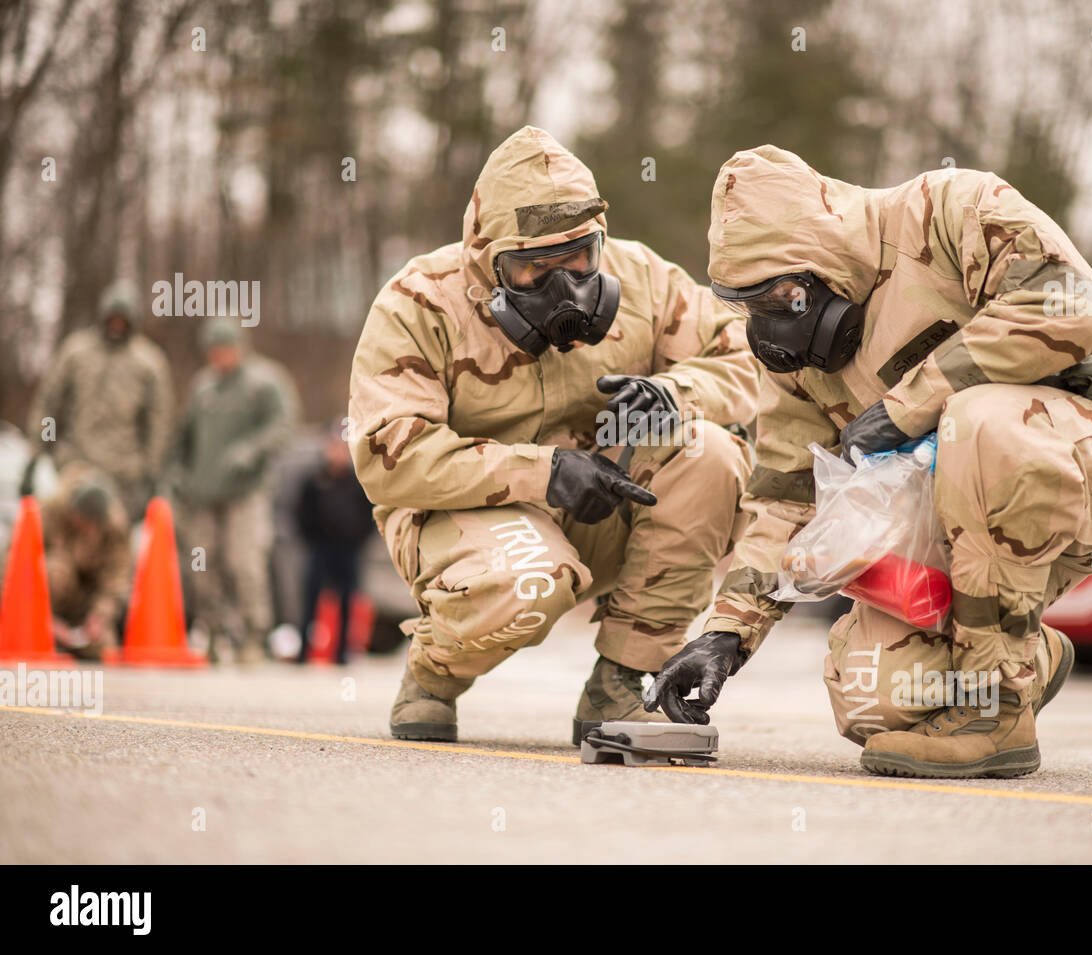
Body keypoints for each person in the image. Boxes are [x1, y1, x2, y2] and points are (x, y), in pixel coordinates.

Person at [647, 146, 1092, 778]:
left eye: (779, 298)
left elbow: (1071, 304)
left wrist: (910, 405)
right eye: (747, 306)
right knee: (872, 700)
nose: (767, 327)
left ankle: (997, 709)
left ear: (822, 258)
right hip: (961, 523)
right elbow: (784, 497)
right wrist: (727, 634)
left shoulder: (949, 210)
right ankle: (1029, 655)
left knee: (975, 421)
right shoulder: (798, 365)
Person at [349, 126, 760, 743]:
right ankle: (435, 669)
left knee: (712, 452)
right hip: (466, 522)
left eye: (579, 259)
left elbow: (745, 358)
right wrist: (544, 472)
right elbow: (388, 455)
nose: (566, 285)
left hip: (604, 507)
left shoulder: (644, 277)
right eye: (534, 268)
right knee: (532, 581)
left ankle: (624, 680)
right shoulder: (418, 303)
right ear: (488, 262)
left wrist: (678, 391)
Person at [171, 318, 292, 664]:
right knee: (203, 563)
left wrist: (251, 450)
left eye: (226, 349)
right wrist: (176, 472)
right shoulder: (203, 386)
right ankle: (213, 630)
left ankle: (253, 634)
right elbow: (184, 435)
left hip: (245, 492)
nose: (220, 357)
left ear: (240, 347)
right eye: (214, 351)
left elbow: (283, 426)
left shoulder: (264, 382)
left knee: (244, 561)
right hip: (204, 492)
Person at [27, 279, 173, 522]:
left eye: (123, 320)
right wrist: (37, 452)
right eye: (113, 318)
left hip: (122, 473)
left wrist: (153, 473)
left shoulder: (149, 363)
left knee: (111, 543)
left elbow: (158, 422)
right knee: (60, 534)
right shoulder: (75, 352)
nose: (117, 326)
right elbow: (49, 404)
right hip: (74, 465)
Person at [293, 421, 375, 665]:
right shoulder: (314, 480)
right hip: (320, 548)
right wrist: (310, 539)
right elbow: (300, 513)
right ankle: (304, 650)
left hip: (349, 549)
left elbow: (369, 514)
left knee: (348, 600)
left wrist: (359, 540)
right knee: (310, 599)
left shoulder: (357, 482)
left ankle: (342, 652)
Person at [42, 464, 132, 660]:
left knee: (104, 648)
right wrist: (45, 620)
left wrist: (99, 617)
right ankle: (48, 636)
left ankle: (69, 643)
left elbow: (115, 581)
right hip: (46, 604)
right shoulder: (50, 511)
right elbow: (15, 570)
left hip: (84, 605)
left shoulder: (114, 527)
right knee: (56, 571)